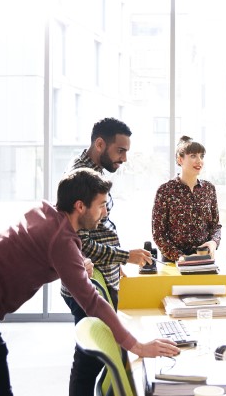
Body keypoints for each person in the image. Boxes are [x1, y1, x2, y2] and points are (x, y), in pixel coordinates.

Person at [0, 168, 179, 396]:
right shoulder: (61, 242)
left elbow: (41, 247)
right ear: (80, 206)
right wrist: (137, 346)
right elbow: (92, 301)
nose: (105, 212)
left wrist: (77, 261)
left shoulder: (44, 211)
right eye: (101, 205)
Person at [61, 117, 153, 396]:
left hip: (100, 275)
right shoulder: (82, 178)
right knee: (88, 361)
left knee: (94, 360)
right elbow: (82, 242)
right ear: (100, 144)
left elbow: (101, 229)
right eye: (120, 150)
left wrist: (116, 264)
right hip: (87, 280)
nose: (124, 158)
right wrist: (125, 256)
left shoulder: (90, 171)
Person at [152, 136, 222, 262]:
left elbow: (215, 226)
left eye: (201, 156)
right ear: (180, 159)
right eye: (193, 156)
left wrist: (213, 243)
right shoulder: (165, 191)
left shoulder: (209, 189)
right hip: (174, 262)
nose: (199, 160)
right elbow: (159, 234)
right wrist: (180, 257)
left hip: (204, 259)